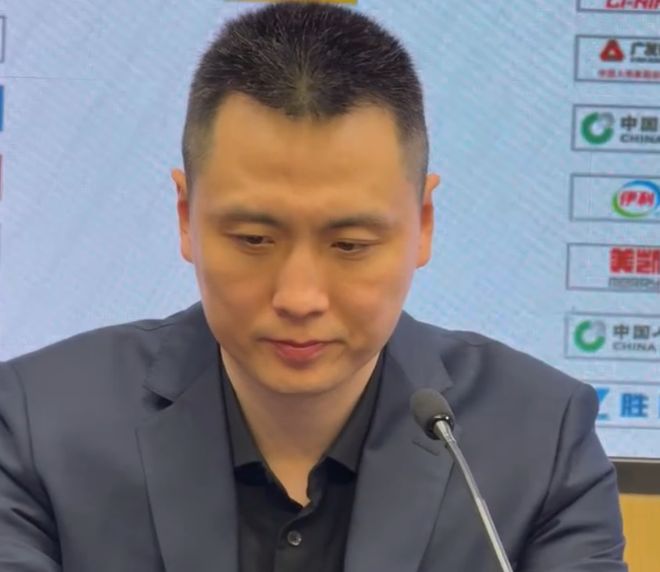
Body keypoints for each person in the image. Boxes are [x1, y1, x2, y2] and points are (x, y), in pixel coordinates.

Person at [0, 3, 626, 571]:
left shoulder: (540, 442)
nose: (299, 298)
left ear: (424, 225)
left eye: (349, 245)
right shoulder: (36, 428)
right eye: (254, 239)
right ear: (186, 217)